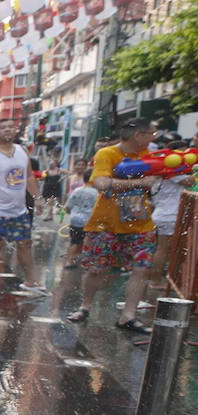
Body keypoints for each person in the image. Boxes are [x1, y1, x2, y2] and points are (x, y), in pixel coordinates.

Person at [66, 119, 158, 333]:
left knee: (142, 268)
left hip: (141, 223)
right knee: (96, 269)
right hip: (104, 223)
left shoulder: (149, 156)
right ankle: (85, 306)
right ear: (138, 135)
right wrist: (139, 183)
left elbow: (165, 174)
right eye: (151, 134)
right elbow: (101, 183)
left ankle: (128, 315)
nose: (154, 138)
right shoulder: (107, 154)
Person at [0, 119, 47, 300]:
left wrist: (38, 199)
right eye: (3, 127)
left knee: (25, 244)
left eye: (11, 126)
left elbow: (29, 177)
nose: (8, 130)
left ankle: (32, 282)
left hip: (18, 210)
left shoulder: (22, 151)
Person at [63, 176, 99, 269]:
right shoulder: (97, 193)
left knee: (74, 241)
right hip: (89, 221)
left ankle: (69, 261)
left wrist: (71, 214)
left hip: (75, 220)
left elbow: (67, 207)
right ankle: (84, 261)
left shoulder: (77, 190)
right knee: (87, 241)